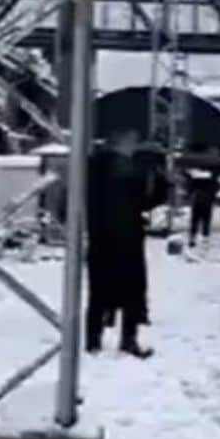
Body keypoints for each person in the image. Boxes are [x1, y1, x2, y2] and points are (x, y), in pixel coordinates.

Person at [85, 145, 152, 358]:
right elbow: (145, 202)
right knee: (132, 292)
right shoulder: (128, 178)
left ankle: (93, 341)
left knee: (98, 294)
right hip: (127, 242)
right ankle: (128, 340)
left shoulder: (93, 175)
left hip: (101, 242)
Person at [186, 169, 217, 246]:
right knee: (206, 222)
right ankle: (205, 239)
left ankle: (193, 238)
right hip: (207, 204)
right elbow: (215, 191)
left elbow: (190, 191)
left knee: (195, 221)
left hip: (197, 203)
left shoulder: (195, 181)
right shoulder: (212, 182)